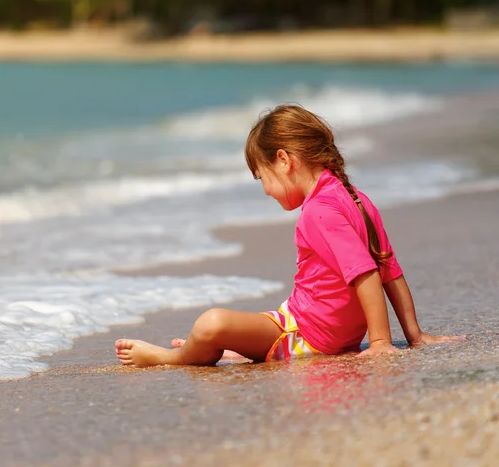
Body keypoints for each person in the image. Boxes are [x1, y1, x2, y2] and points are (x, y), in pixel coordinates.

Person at [115, 103, 460, 367]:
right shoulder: (356, 198)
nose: (266, 190)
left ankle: (168, 358)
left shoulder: (318, 211)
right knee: (238, 331)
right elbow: (390, 269)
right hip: (297, 324)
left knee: (211, 323)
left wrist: (382, 341)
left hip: (301, 334)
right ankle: (235, 350)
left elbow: (369, 273)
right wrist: (414, 336)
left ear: (283, 160)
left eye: (262, 177)